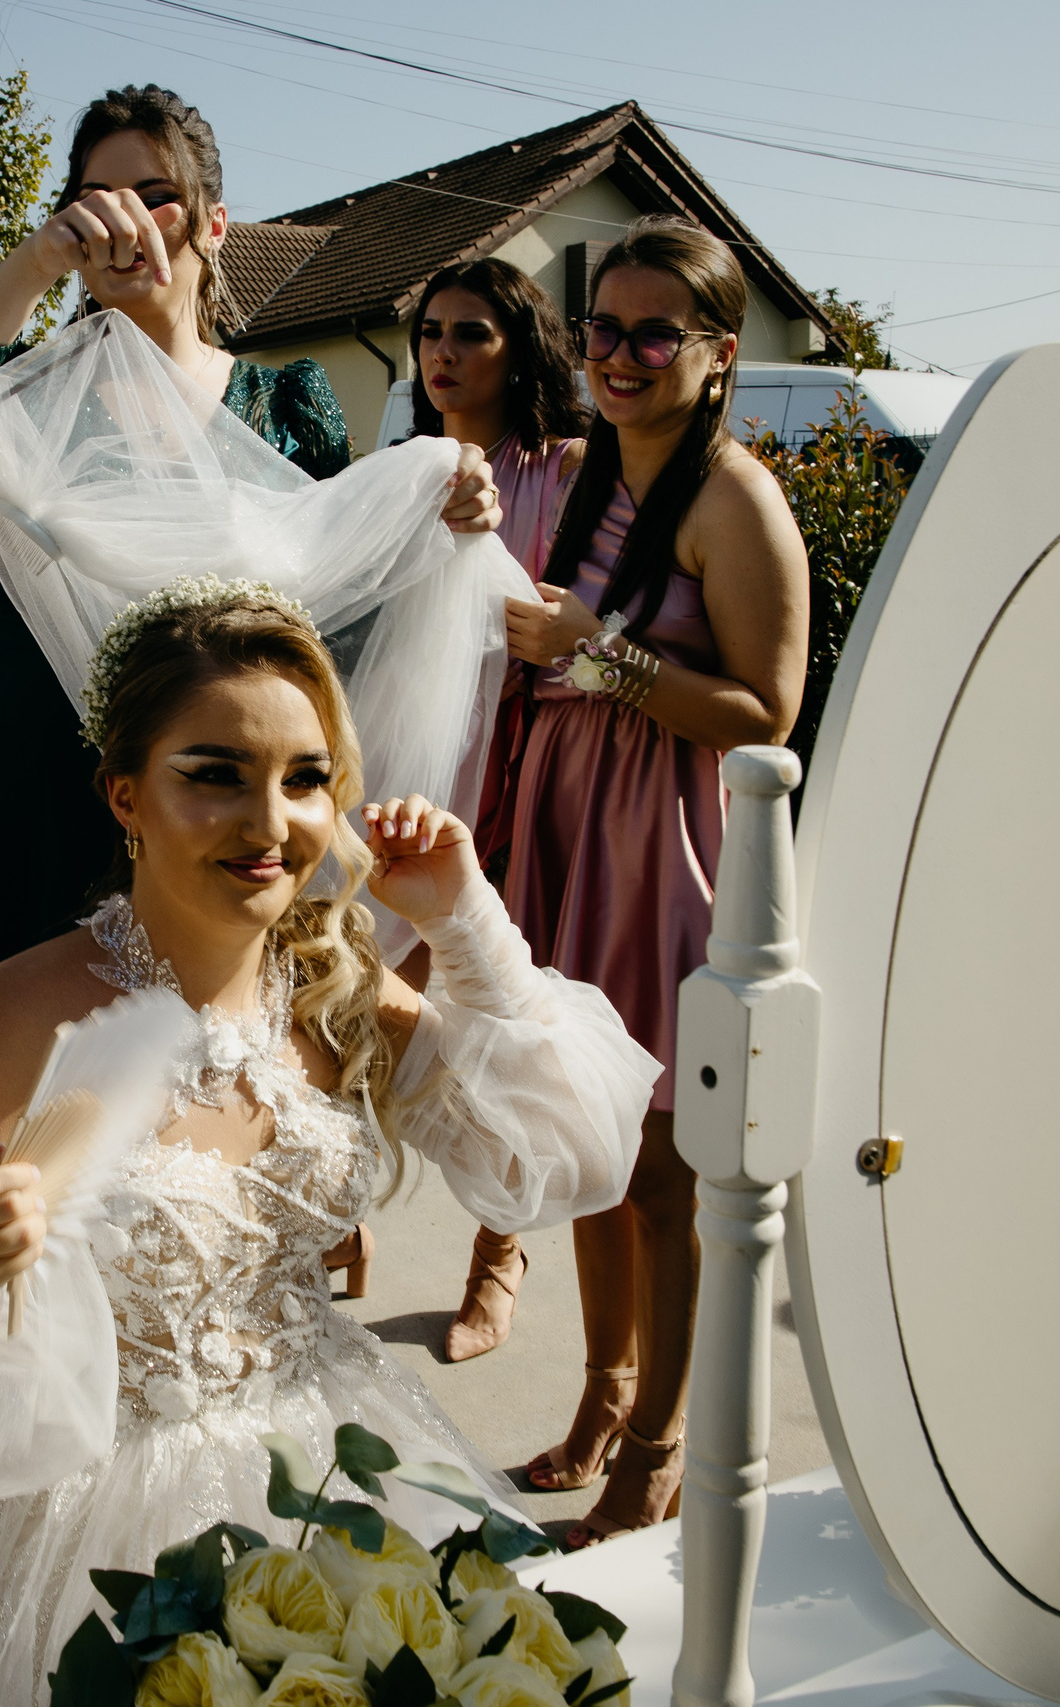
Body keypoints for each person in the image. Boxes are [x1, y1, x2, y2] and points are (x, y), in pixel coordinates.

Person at [0, 580, 658, 1704]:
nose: (268, 822)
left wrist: (464, 922)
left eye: (304, 779)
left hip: (340, 1471)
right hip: (86, 1517)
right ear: (124, 794)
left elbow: (565, 1157)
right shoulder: (18, 1014)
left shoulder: (341, 990)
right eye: (216, 775)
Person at [0, 83, 501, 1070]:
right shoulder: (24, 395)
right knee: (26, 1102)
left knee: (210, 1097)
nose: (117, 222)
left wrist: (443, 523)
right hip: (36, 780)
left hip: (217, 806)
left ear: (212, 222)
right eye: (88, 199)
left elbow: (340, 614)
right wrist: (35, 263)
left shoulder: (283, 401)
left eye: (151, 195)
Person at [489, 216, 809, 1548]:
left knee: (667, 1172)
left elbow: (767, 712)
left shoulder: (737, 500)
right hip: (572, 830)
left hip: (670, 848)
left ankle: (661, 1442)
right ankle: (605, 1391)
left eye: (652, 331)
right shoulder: (572, 472)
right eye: (601, 329)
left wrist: (596, 655)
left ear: (719, 353)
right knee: (592, 1149)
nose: (619, 354)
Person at [403, 257, 589, 1365]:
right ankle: (344, 1220)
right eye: (430, 330)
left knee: (505, 1023)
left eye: (469, 332)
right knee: (367, 1000)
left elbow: (564, 614)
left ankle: (498, 1257)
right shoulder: (405, 464)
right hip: (422, 760)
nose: (443, 351)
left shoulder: (563, 469)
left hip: (530, 762)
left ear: (516, 346)